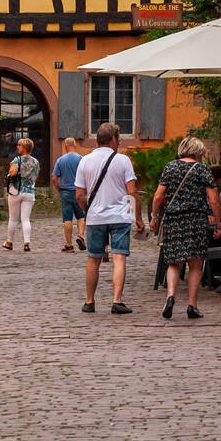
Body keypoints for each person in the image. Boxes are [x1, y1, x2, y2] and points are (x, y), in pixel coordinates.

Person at [75, 123, 144, 315]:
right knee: (119, 257)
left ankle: (89, 301)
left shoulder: (85, 161)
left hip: (95, 217)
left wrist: (88, 211)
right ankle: (117, 301)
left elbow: (79, 194)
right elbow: (133, 191)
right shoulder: (123, 161)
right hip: (120, 216)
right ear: (113, 138)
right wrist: (138, 217)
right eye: (119, 139)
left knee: (93, 259)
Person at [151, 137, 221, 321]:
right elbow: (214, 200)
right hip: (196, 219)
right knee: (195, 264)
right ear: (198, 151)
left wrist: (154, 217)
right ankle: (192, 305)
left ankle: (171, 296)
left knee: (174, 262)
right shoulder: (203, 170)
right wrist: (218, 223)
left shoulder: (170, 167)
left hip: (174, 220)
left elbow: (158, 196)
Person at [2, 137, 40, 252]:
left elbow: (12, 174)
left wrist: (10, 170)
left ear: (24, 148)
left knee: (13, 218)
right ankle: (26, 243)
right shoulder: (35, 162)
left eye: (19, 145)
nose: (17, 146)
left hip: (16, 191)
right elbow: (35, 176)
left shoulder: (16, 160)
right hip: (29, 191)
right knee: (26, 219)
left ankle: (9, 242)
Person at [52, 137, 87, 252]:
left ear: (65, 146)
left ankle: (69, 245)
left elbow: (54, 178)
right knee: (81, 216)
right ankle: (81, 236)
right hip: (78, 191)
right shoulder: (81, 159)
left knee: (67, 218)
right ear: (75, 145)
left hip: (65, 192)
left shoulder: (60, 160)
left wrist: (59, 189)